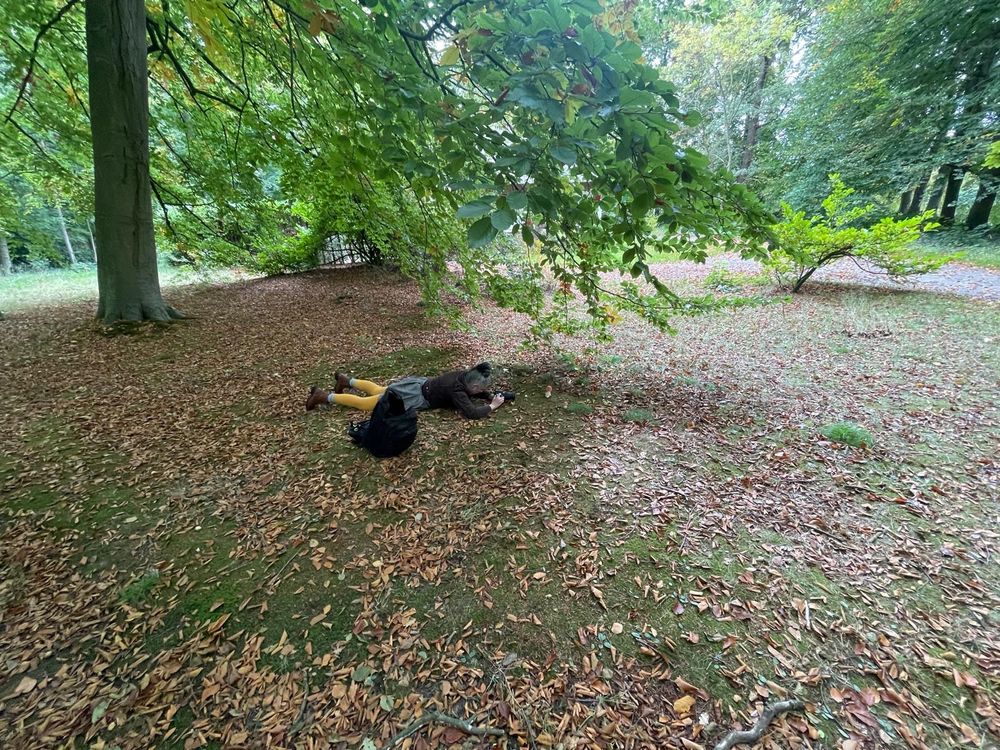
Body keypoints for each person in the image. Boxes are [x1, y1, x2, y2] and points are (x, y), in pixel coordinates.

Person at [306, 362, 506, 419]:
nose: (481, 391)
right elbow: (470, 412)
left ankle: (346, 380)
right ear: (474, 386)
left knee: (379, 389)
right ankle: (324, 396)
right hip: (414, 396)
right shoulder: (458, 391)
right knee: (368, 404)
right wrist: (492, 405)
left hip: (416, 384)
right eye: (481, 389)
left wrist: (487, 394)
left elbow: (471, 391)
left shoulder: (464, 375)